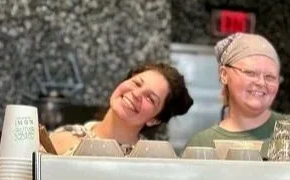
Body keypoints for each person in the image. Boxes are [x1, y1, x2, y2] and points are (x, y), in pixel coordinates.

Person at [185, 33, 290, 154]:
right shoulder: (202, 144)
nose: (261, 83)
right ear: (224, 74)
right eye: (250, 73)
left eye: (270, 77)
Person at [50, 62, 194, 155]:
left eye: (150, 98)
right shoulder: (63, 136)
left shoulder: (148, 162)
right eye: (137, 83)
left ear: (154, 120)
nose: (136, 94)